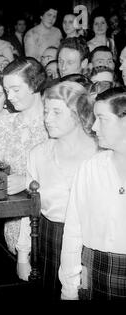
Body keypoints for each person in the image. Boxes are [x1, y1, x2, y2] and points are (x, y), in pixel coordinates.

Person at [15, 81, 98, 300]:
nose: (47, 119)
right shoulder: (39, 154)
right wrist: (23, 255)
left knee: (84, 292)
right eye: (46, 111)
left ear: (78, 113)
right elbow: (29, 209)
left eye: (56, 112)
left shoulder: (99, 154)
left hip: (88, 245)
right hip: (49, 239)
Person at [0, 58, 49, 255]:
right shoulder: (9, 121)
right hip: (14, 226)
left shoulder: (53, 122)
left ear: (34, 84)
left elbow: (68, 174)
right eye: (7, 91)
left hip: (46, 224)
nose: (10, 97)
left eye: (15, 89)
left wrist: (27, 181)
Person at [59, 87, 126, 300]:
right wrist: (69, 288)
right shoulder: (90, 169)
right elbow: (73, 231)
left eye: (102, 119)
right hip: (95, 269)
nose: (94, 127)